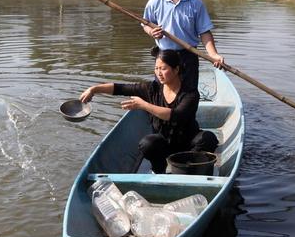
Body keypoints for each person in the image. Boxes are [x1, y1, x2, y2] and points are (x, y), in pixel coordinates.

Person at [79, 48, 218, 174]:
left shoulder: (190, 93)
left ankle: (187, 165)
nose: (159, 73)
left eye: (163, 68)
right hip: (165, 143)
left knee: (208, 138)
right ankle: (159, 171)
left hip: (188, 143)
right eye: (156, 68)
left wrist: (144, 105)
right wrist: (94, 89)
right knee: (148, 143)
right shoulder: (152, 89)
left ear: (176, 70)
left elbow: (176, 116)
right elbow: (120, 88)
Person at [142, 0, 224, 92]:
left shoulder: (196, 4)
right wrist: (152, 31)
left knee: (188, 95)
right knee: (161, 95)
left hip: (188, 55)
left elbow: (205, 33)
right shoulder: (154, 2)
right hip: (164, 57)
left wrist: (213, 54)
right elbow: (145, 24)